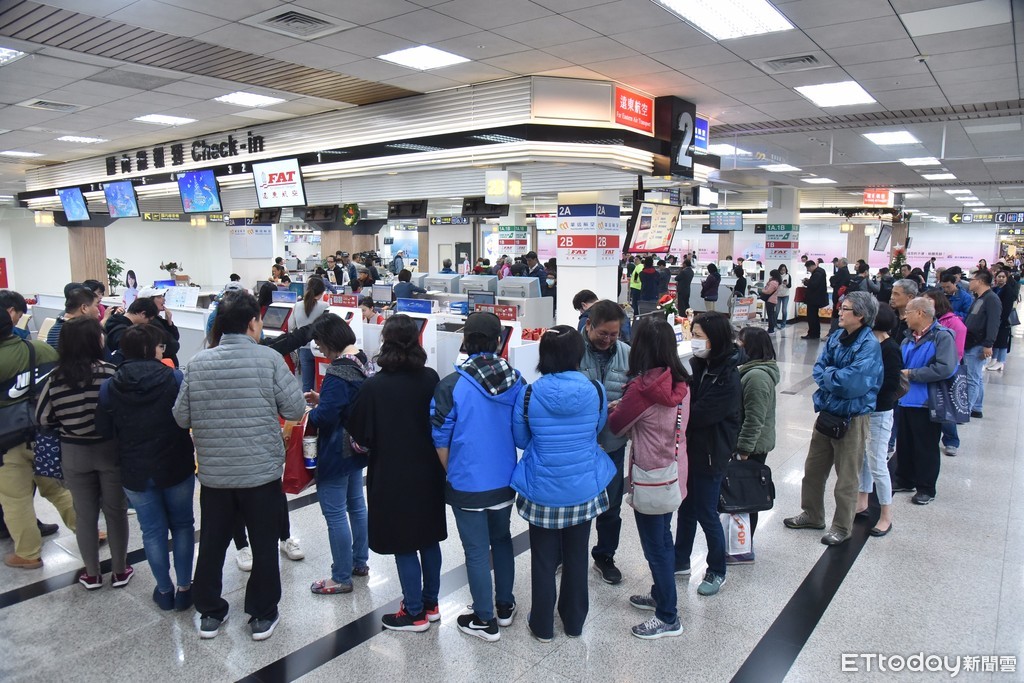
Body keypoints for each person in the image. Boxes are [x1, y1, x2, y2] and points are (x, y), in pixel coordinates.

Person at [172, 289, 306, 642]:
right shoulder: (268, 360)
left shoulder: (199, 362)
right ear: (252, 322)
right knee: (264, 544)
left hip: (215, 475)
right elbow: (294, 410)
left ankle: (210, 613)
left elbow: (180, 416)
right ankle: (262, 615)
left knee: (213, 544)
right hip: (260, 473)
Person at [511, 326, 614, 642]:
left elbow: (521, 438)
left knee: (542, 560)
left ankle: (542, 625)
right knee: (577, 556)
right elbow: (597, 429)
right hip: (583, 488)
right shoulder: (595, 389)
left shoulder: (528, 393)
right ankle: (574, 622)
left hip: (542, 489)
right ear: (578, 353)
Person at [347, 315, 446, 632]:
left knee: (404, 541)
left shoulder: (374, 386)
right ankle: (430, 604)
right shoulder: (431, 378)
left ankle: (413, 612)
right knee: (429, 539)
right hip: (429, 471)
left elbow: (360, 436)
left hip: (392, 472)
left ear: (385, 343)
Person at [431, 312, 525, 641]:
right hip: (504, 479)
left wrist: (454, 472)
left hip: (467, 482)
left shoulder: (451, 384)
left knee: (475, 550)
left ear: (465, 340)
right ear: (499, 341)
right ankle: (505, 605)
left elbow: (440, 439)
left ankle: (484, 620)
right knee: (502, 540)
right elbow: (521, 433)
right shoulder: (517, 381)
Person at [96, 324, 195, 610]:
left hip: (135, 470)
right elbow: (186, 418)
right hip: (176, 464)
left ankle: (164, 591)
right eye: (161, 346)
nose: (163, 350)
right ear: (153, 349)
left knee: (151, 531)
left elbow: (103, 429)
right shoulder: (175, 378)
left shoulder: (110, 386)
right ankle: (185, 588)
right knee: (183, 525)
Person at [608, 318, 689, 639]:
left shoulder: (640, 390)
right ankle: (660, 592)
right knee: (664, 538)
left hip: (650, 475)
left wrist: (619, 406)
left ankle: (668, 615)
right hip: (674, 469)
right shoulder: (680, 382)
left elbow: (616, 426)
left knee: (655, 546)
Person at [36, 316, 130, 589]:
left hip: (74, 453)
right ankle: (120, 570)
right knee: (115, 511)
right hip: (109, 450)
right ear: (94, 341)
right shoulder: (110, 373)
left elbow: (42, 418)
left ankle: (91, 573)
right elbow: (122, 412)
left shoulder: (54, 378)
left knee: (85, 514)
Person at [784, 291, 882, 545]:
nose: (839, 311)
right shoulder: (837, 336)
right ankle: (812, 514)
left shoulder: (869, 346)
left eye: (845, 308)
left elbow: (852, 384)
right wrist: (832, 375)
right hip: (827, 412)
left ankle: (841, 526)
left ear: (860, 315)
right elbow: (818, 368)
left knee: (847, 477)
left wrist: (830, 376)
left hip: (852, 417)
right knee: (813, 470)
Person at [0, 307, 76, 569]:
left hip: (6, 442)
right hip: (44, 432)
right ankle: (89, 531)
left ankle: (28, 553)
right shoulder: (40, 350)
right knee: (56, 488)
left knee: (15, 498)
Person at [674, 312, 740, 596]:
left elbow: (701, 413)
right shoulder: (700, 365)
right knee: (685, 508)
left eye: (699, 336)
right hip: (691, 450)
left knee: (706, 511)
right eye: (694, 334)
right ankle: (679, 561)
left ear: (717, 338)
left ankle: (716, 569)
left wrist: (674, 415)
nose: (695, 341)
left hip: (712, 453)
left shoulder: (727, 375)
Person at [305, 314, 370, 595]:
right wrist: (326, 399)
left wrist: (315, 411)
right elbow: (347, 402)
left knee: (334, 514)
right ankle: (360, 562)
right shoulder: (361, 361)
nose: (318, 348)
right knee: (356, 505)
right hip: (356, 445)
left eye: (319, 342)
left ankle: (341, 576)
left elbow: (325, 418)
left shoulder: (336, 372)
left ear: (329, 339)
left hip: (335, 449)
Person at [578, 300, 631, 584]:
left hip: (613, 443)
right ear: (589, 326)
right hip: (580, 445)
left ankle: (604, 556)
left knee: (611, 506)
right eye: (603, 333)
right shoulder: (572, 352)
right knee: (576, 504)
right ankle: (569, 554)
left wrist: (623, 405)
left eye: (614, 334)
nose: (609, 339)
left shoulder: (627, 354)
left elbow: (636, 394)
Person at [893, 297, 958, 506]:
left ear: (920, 313)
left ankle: (926, 487)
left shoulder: (942, 337)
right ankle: (905, 478)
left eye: (908, 313)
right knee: (905, 442)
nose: (904, 317)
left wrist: (912, 373)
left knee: (926, 446)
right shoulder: (907, 338)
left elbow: (945, 368)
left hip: (926, 401)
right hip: (905, 399)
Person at [732, 326, 779, 561]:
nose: (736, 346)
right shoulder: (751, 372)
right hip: (751, 445)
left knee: (745, 497)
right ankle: (739, 544)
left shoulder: (757, 377)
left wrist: (743, 450)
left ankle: (743, 547)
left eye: (740, 342)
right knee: (743, 496)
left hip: (752, 448)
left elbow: (754, 418)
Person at [855, 304, 901, 537]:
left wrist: (865, 390)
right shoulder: (870, 344)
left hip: (880, 412)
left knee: (877, 463)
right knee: (864, 457)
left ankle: (886, 514)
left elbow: (890, 385)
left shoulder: (890, 348)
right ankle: (862, 500)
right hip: (864, 410)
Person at [923, 291, 966, 456]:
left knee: (945, 408)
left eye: (929, 302)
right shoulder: (928, 322)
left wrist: (946, 369)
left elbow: (958, 352)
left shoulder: (954, 323)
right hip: (928, 370)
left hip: (945, 372)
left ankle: (951, 440)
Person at [963, 270, 1001, 418]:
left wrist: (988, 343)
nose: (970, 282)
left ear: (979, 281)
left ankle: (965, 410)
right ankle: (976, 407)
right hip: (972, 340)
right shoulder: (980, 298)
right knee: (976, 377)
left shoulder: (992, 299)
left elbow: (993, 322)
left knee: (971, 378)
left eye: (972, 279)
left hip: (978, 343)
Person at [288, 276, 328, 394]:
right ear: (321, 292)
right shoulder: (325, 306)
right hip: (321, 349)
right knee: (323, 382)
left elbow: (291, 326)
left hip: (303, 348)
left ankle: (307, 408)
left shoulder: (297, 305)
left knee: (307, 384)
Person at [47, 287, 116, 348]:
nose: (98, 311)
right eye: (96, 306)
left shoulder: (54, 329)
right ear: (84, 308)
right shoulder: (81, 334)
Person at [137, 287, 181, 367]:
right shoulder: (152, 323)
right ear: (149, 301)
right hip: (162, 367)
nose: (163, 300)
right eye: (159, 297)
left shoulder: (158, 319)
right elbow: (173, 345)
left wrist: (169, 323)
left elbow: (175, 338)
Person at [989, 269, 1018, 372]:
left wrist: (1001, 319)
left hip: (1003, 320)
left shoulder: (1008, 290)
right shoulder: (995, 289)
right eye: (999, 276)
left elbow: (1007, 308)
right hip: (995, 318)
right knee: (995, 340)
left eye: (1003, 277)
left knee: (1002, 341)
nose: (1000, 278)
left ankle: (1001, 361)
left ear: (1006, 278)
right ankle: (994, 359)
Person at [802, 259, 828, 340]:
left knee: (812, 317)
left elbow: (813, 285)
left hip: (814, 299)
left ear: (812, 266)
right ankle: (815, 333)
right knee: (814, 317)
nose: (808, 270)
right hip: (817, 298)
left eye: (808, 268)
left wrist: (806, 282)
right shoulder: (820, 272)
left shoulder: (817, 273)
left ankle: (812, 334)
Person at [776, 264, 791, 329]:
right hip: (778, 295)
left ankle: (783, 324)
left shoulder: (788, 276)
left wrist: (786, 284)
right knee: (777, 310)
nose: (783, 271)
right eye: (782, 270)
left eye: (784, 270)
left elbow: (790, 286)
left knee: (784, 310)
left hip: (785, 295)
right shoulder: (777, 276)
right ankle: (774, 323)